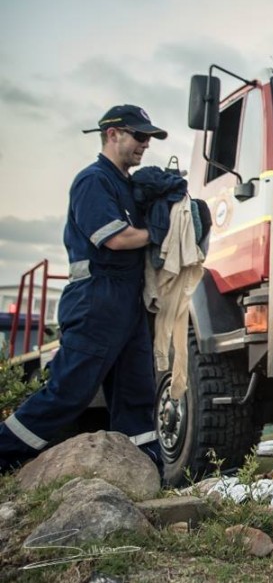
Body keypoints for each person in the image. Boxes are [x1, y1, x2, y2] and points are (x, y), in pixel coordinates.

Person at [0, 105, 168, 476]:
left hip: (128, 301)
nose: (146, 144)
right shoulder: (93, 181)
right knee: (68, 392)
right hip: (96, 300)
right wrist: (162, 231)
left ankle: (146, 470)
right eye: (140, 135)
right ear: (112, 134)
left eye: (149, 138)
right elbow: (116, 239)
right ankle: (3, 451)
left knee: (137, 394)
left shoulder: (128, 187)